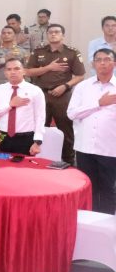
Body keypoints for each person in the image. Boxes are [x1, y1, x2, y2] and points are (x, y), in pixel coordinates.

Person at [25, 24, 85, 163]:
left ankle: (68, 160)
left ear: (63, 35)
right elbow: (28, 72)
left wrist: (65, 86)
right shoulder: (38, 51)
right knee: (39, 128)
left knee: (66, 129)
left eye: (57, 32)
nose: (53, 34)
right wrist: (49, 67)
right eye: (50, 32)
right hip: (41, 94)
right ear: (47, 35)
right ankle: (38, 159)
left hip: (62, 95)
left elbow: (80, 75)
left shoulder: (72, 52)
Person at [68, 48, 116, 213]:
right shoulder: (83, 87)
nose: (103, 63)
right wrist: (98, 103)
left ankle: (106, 224)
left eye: (107, 59)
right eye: (98, 60)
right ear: (93, 64)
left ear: (114, 63)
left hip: (110, 149)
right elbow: (72, 113)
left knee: (109, 189)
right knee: (87, 188)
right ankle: (88, 222)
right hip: (85, 147)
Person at [0, 59, 46, 156]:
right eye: (9, 69)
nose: (13, 72)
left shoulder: (35, 90)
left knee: (24, 165)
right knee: (1, 164)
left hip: (26, 139)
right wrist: (10, 105)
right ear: (5, 73)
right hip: (2, 138)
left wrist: (37, 141)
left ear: (24, 71)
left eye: (17, 68)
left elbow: (40, 117)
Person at [0, 26, 26, 91]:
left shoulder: (22, 51)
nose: (6, 35)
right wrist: (3, 60)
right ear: (1, 36)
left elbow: (26, 69)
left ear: (14, 36)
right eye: (4, 33)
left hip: (17, 87)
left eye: (9, 33)